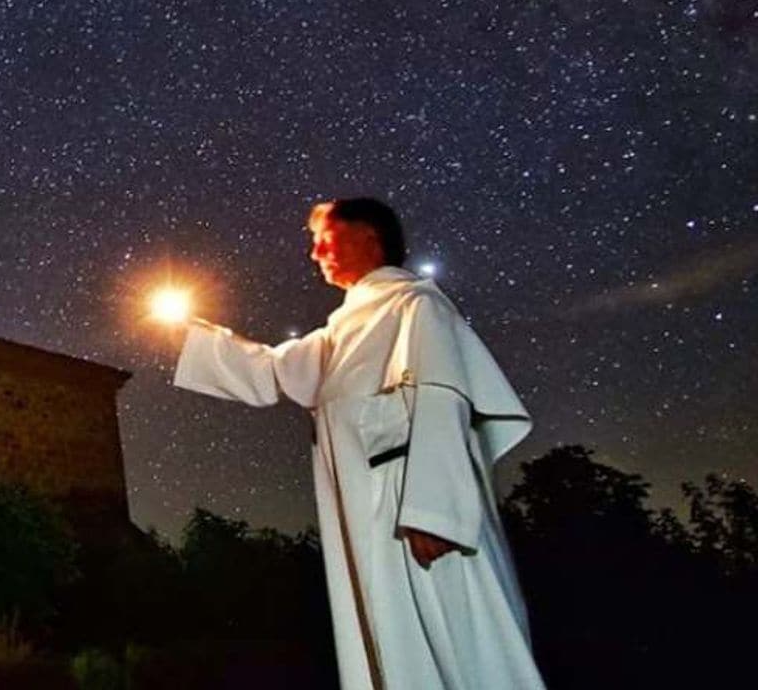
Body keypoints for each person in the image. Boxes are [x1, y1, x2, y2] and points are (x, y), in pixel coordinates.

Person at [173, 198, 546, 689]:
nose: (313, 253)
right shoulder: (339, 333)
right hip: (370, 525)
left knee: (460, 649)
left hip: (415, 514)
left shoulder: (415, 305)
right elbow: (269, 371)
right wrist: (184, 334)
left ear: (368, 236)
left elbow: (441, 395)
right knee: (397, 656)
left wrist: (433, 511)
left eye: (323, 237)